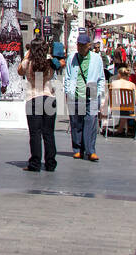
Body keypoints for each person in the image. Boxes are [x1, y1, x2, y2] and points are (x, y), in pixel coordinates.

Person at [63, 32, 106, 162]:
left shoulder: (96, 58)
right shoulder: (71, 58)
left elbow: (101, 78)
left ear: (89, 45)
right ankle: (77, 149)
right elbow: (68, 76)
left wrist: (99, 93)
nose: (80, 48)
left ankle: (90, 151)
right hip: (75, 94)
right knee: (76, 123)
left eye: (83, 45)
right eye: (79, 45)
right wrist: (67, 91)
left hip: (92, 94)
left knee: (91, 123)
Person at [19, 39, 57, 171]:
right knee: (49, 133)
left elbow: (19, 71)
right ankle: (50, 163)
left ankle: (35, 163)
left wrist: (27, 55)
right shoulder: (50, 62)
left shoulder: (28, 62)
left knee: (35, 133)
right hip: (49, 97)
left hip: (33, 98)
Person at [108, 67, 136, 137]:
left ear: (119, 74)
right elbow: (135, 100)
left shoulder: (113, 83)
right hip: (128, 109)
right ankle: (121, 129)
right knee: (126, 107)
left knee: (122, 107)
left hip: (115, 108)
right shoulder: (132, 84)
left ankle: (120, 129)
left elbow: (108, 96)